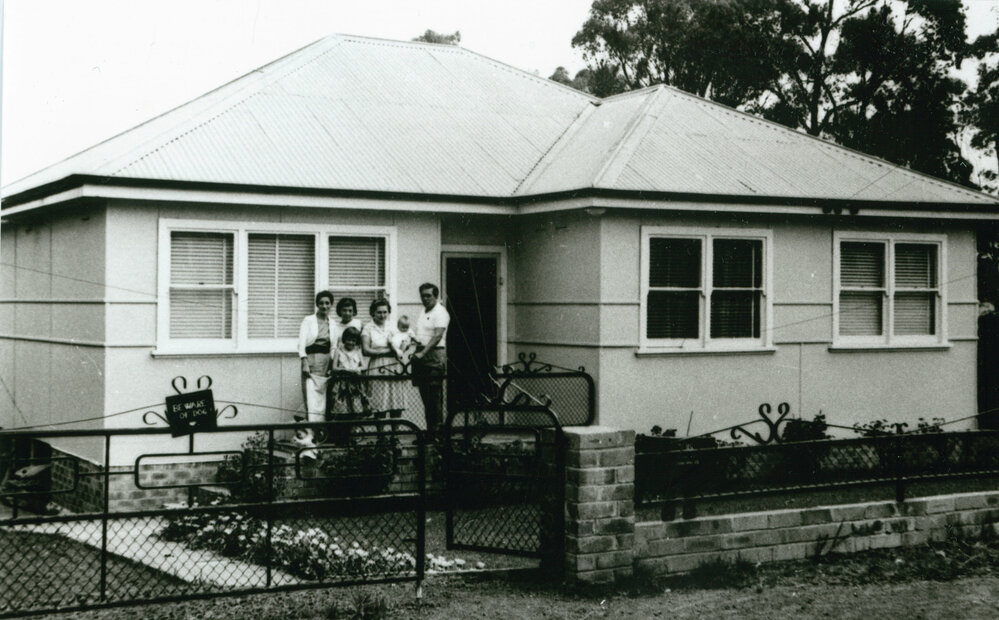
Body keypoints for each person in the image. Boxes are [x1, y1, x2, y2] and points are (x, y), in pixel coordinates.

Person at [297, 291, 340, 449]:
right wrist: (304, 361)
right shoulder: (309, 320)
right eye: (321, 303)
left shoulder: (333, 323)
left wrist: (332, 364)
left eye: (327, 303)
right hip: (312, 359)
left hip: (326, 360)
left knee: (324, 398)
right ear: (317, 304)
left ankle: (322, 434)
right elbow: (301, 343)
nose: (324, 306)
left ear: (331, 304)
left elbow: (334, 346)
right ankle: (310, 436)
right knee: (310, 396)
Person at [412, 283, 449, 434]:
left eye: (429, 295)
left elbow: (437, 335)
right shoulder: (423, 311)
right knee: (425, 396)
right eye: (423, 295)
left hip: (434, 355)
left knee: (434, 396)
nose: (425, 298)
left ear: (436, 296)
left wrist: (423, 353)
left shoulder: (440, 312)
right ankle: (430, 432)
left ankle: (437, 433)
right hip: (421, 354)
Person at [362, 299, 405, 412]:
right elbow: (365, 350)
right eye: (379, 312)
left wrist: (401, 349)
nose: (382, 315)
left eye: (385, 312)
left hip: (394, 365)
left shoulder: (393, 326)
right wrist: (387, 352)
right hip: (377, 365)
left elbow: (404, 341)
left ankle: (396, 429)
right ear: (373, 313)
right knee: (379, 401)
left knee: (395, 401)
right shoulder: (368, 328)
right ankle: (380, 429)